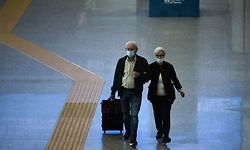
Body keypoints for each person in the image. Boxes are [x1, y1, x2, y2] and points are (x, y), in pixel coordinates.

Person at [110, 41, 148, 147]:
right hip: (124, 92)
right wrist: (113, 92)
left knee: (134, 115)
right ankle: (128, 132)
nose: (129, 51)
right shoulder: (121, 61)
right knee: (126, 115)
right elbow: (117, 77)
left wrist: (140, 75)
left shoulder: (142, 61)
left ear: (136, 50)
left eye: (131, 49)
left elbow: (148, 76)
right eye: (127, 49)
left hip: (136, 93)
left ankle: (133, 138)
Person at [146, 47, 185, 144]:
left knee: (166, 115)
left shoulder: (169, 66)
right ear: (155, 56)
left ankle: (166, 136)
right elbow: (145, 78)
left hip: (167, 97)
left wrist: (180, 90)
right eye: (158, 55)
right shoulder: (151, 67)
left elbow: (174, 79)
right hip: (155, 97)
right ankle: (160, 131)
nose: (160, 57)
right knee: (157, 115)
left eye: (161, 55)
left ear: (164, 56)